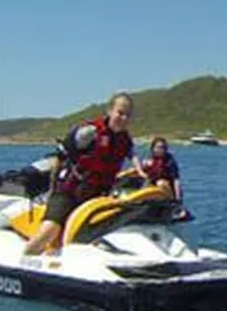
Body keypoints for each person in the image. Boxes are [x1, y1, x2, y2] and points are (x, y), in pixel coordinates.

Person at [23, 92, 145, 255]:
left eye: (128, 115)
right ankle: (24, 260)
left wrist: (141, 172)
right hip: (69, 192)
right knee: (50, 230)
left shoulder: (125, 140)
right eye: (120, 113)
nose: (123, 118)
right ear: (109, 111)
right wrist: (54, 189)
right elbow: (60, 157)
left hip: (96, 197)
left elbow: (132, 155)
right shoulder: (89, 133)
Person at [142, 136, 183, 202]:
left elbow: (176, 180)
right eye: (157, 147)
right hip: (154, 188)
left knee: (160, 183)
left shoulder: (169, 161)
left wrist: (178, 198)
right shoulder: (150, 160)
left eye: (162, 148)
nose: (160, 150)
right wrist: (145, 167)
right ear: (153, 148)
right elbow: (147, 177)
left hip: (167, 189)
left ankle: (169, 201)